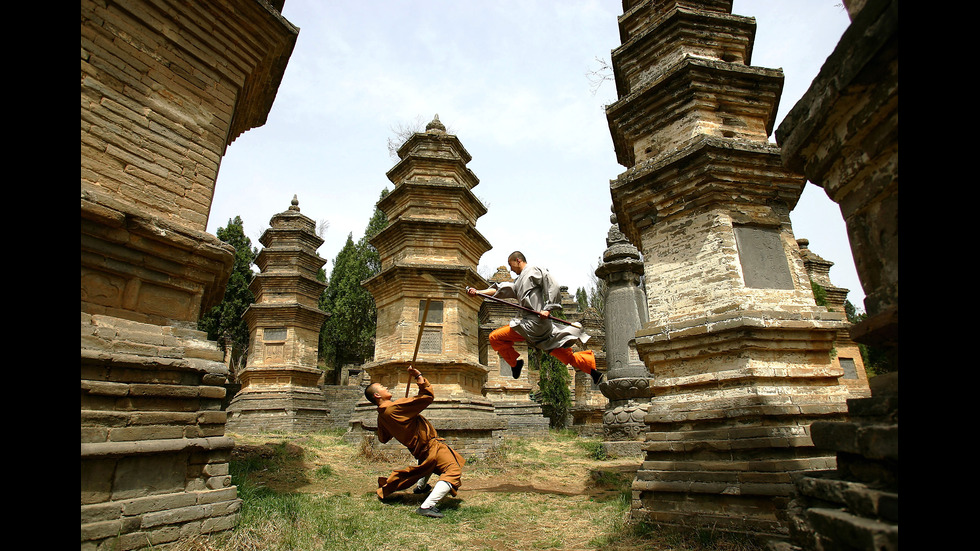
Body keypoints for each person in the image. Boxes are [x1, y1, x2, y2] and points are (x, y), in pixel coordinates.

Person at [467, 251, 601, 384]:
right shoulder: (519, 282)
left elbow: (551, 283)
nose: (511, 269)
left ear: (518, 260)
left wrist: (548, 308)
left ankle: (515, 364)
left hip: (534, 325)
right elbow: (498, 290)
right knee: (567, 356)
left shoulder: (533, 270)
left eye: (511, 264)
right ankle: (594, 372)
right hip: (541, 331)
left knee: (494, 337)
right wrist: (478, 292)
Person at [365, 366, 465, 519]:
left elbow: (383, 438)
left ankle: (421, 487)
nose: (386, 388)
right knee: (453, 471)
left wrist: (401, 425)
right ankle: (427, 506)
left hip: (419, 449)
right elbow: (427, 396)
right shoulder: (394, 408)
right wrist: (419, 376)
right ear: (378, 395)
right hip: (430, 446)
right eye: (383, 387)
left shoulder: (382, 416)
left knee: (427, 465)